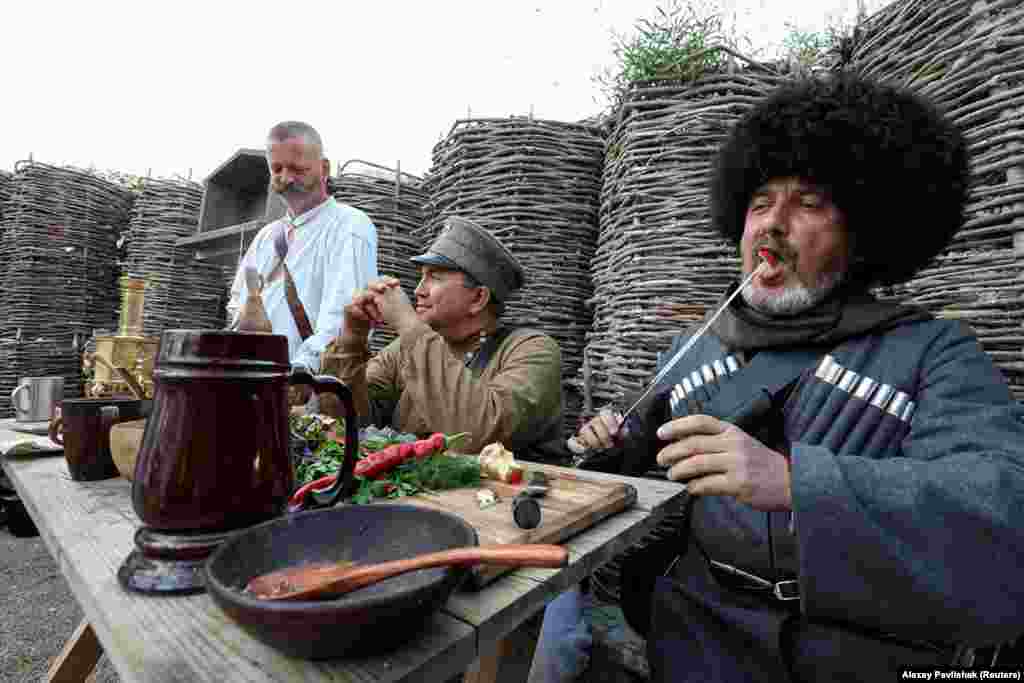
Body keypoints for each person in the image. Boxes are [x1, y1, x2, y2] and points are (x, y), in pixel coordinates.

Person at [530, 73, 1024, 682]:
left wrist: (797, 483)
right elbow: (647, 461)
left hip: (852, 655)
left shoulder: (931, 351)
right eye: (760, 203)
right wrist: (612, 446)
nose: (772, 223)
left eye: (808, 203)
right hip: (693, 636)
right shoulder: (696, 347)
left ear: (864, 230)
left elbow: (1002, 507)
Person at [323, 215, 564, 455]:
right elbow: (344, 420)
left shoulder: (533, 351)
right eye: (421, 276)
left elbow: (476, 436)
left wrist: (408, 323)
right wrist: (351, 339)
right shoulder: (404, 348)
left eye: (435, 277)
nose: (418, 290)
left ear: (478, 298)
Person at [227, 121, 379, 386]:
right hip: (253, 385)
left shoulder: (350, 226)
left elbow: (343, 321)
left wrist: (299, 374)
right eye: (277, 169)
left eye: (298, 169)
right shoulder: (265, 237)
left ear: (325, 168)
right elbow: (237, 309)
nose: (286, 178)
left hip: (313, 392)